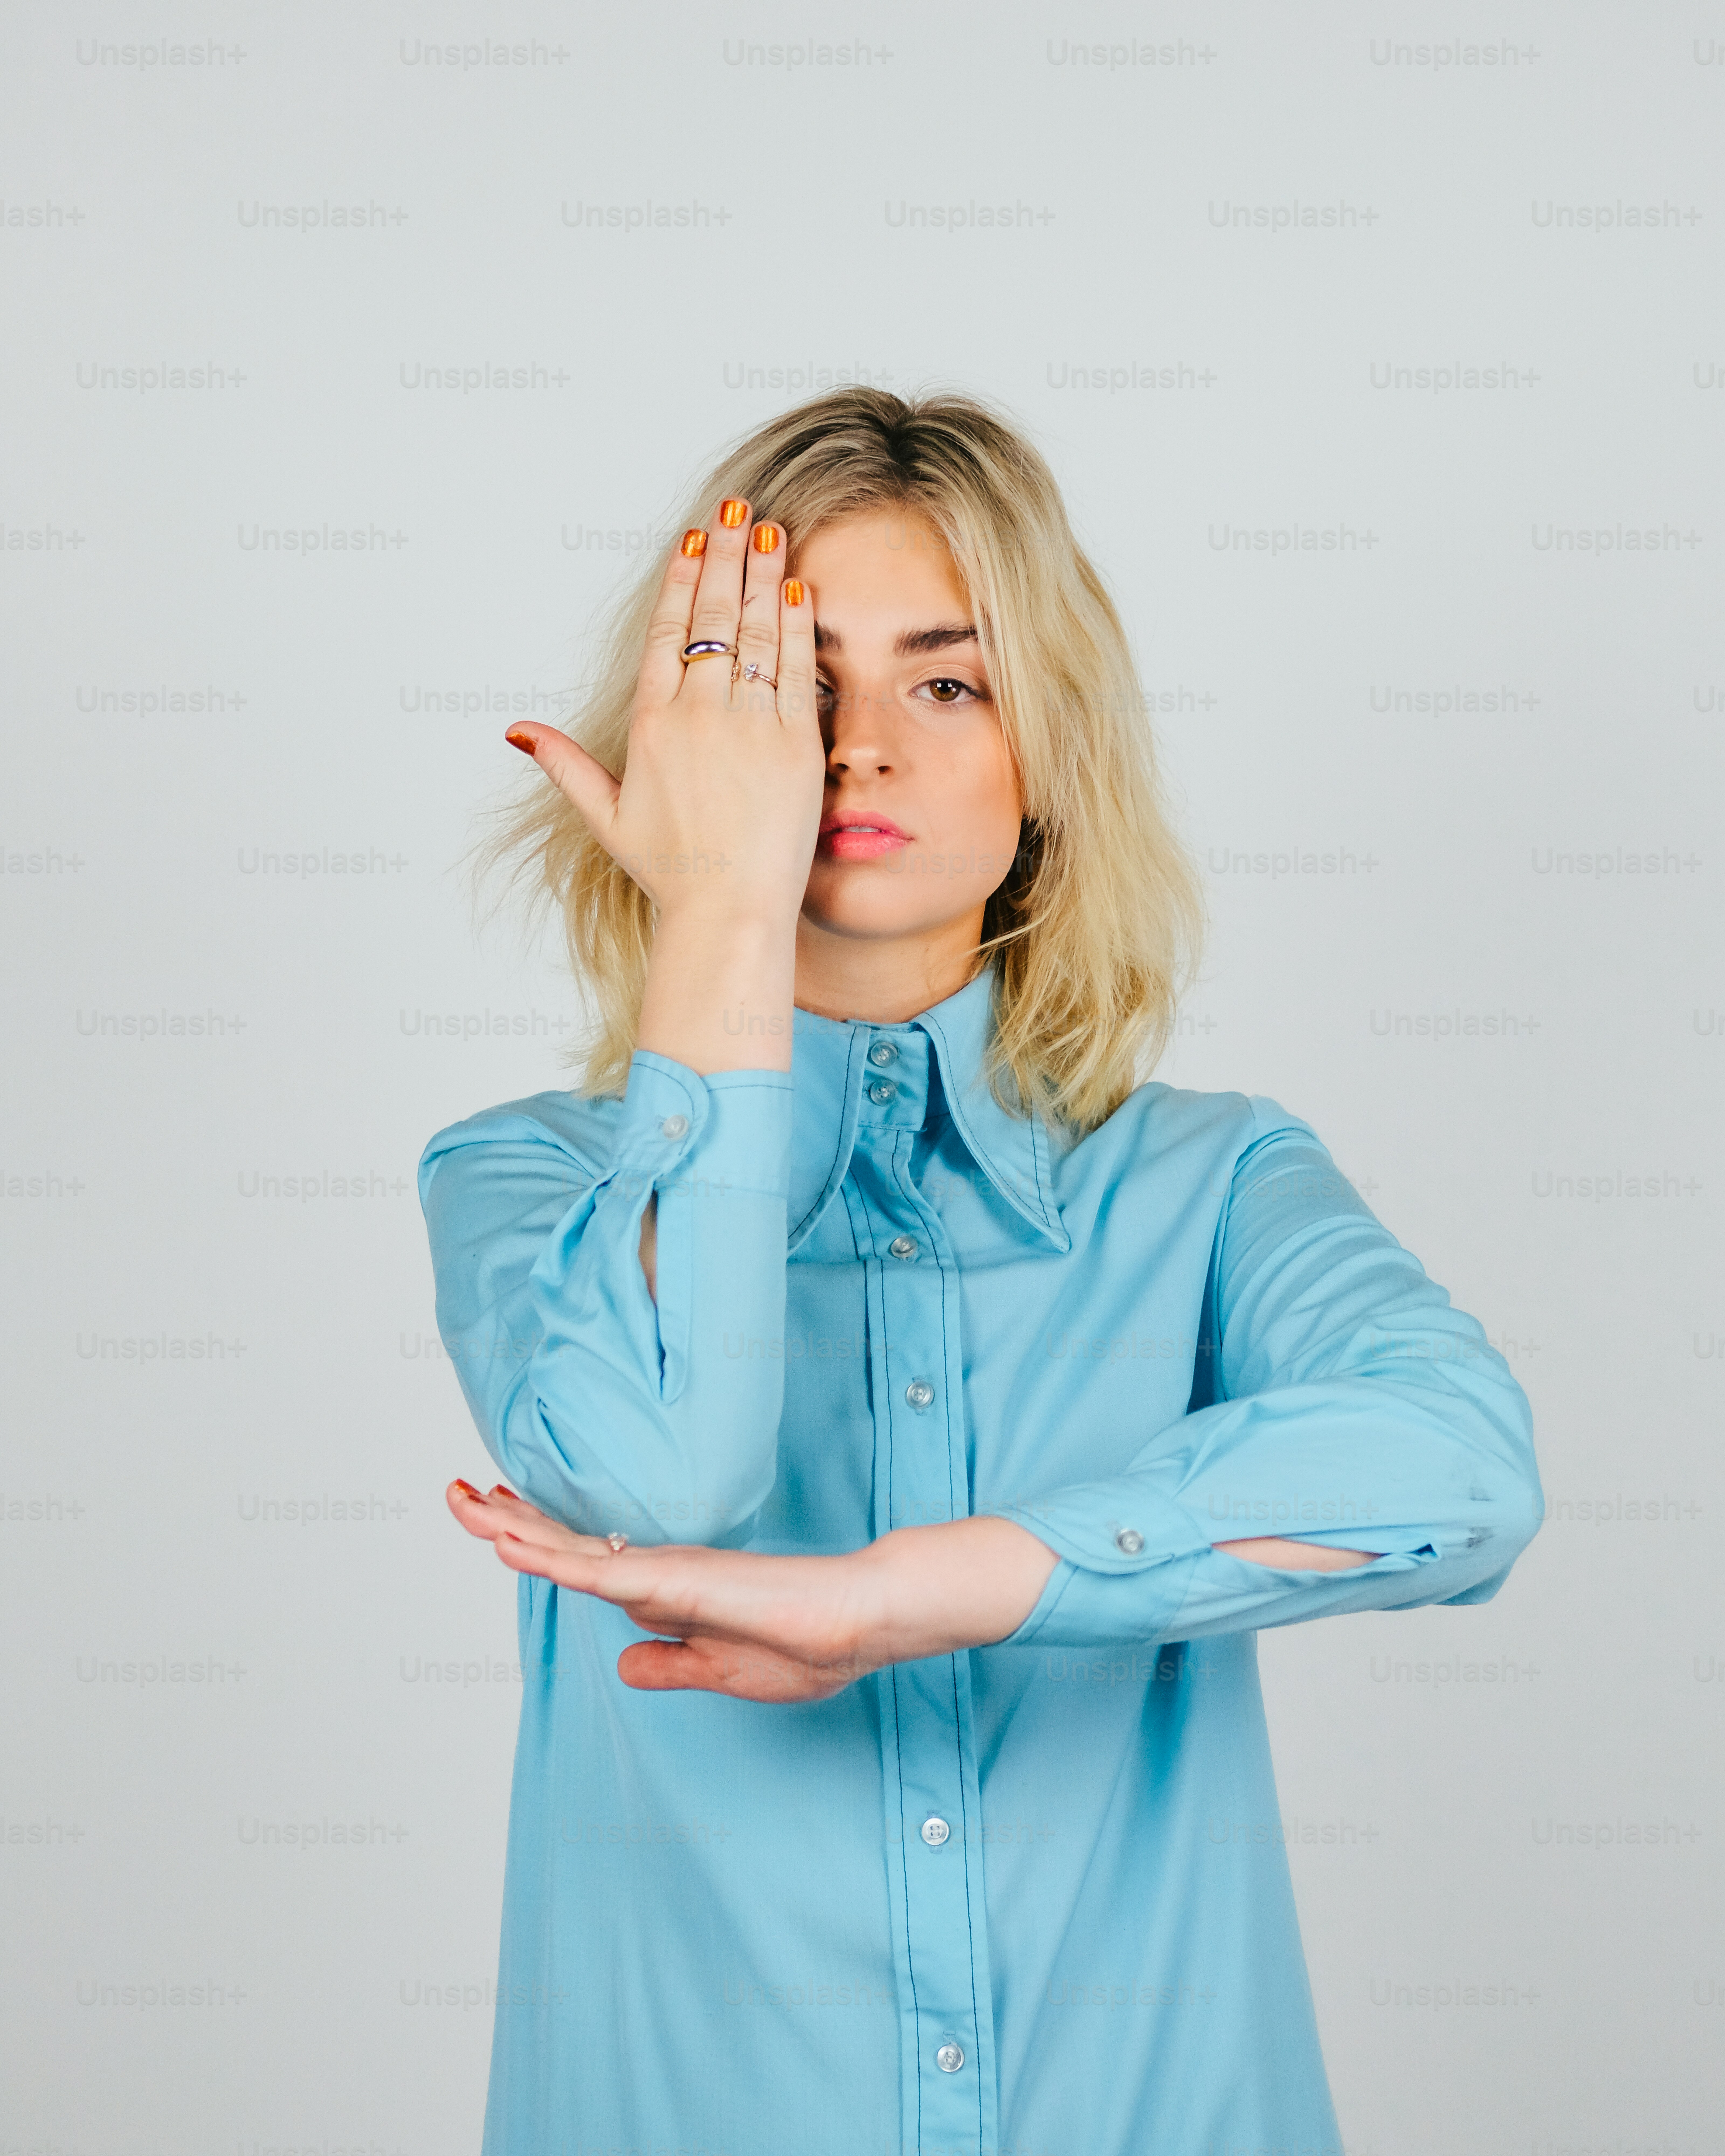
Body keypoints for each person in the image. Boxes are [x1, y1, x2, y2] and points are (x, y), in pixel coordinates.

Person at [417, 388, 1542, 2156]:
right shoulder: (525, 1186)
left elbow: (1465, 1474)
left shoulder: (1213, 1180)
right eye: (792, 687)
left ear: (1050, 754)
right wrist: (718, 909)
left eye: (946, 682)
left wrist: (931, 1589)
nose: (854, 749)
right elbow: (661, 1476)